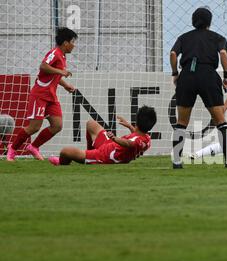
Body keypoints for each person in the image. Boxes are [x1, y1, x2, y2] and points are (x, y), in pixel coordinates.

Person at [170, 7, 227, 169]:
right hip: (208, 75)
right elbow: (223, 54)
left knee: (181, 122)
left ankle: (177, 162)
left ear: (193, 20)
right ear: (209, 22)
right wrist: (226, 75)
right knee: (221, 121)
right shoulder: (218, 37)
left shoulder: (184, 37)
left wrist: (175, 73)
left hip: (187, 75)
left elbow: (172, 54)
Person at [7, 27, 78, 161]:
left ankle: (33, 147)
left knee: (57, 126)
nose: (74, 45)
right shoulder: (54, 53)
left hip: (51, 96)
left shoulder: (62, 56)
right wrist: (61, 72)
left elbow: (52, 75)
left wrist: (65, 85)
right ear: (65, 43)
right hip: (40, 95)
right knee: (34, 127)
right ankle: (12, 149)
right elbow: (43, 66)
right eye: (73, 42)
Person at [48, 106, 156, 166]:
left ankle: (63, 163)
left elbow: (128, 143)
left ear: (137, 121)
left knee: (65, 152)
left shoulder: (135, 141)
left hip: (105, 156)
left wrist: (114, 138)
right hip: (109, 145)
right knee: (91, 124)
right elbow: (136, 137)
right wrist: (129, 126)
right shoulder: (146, 138)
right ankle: (88, 153)